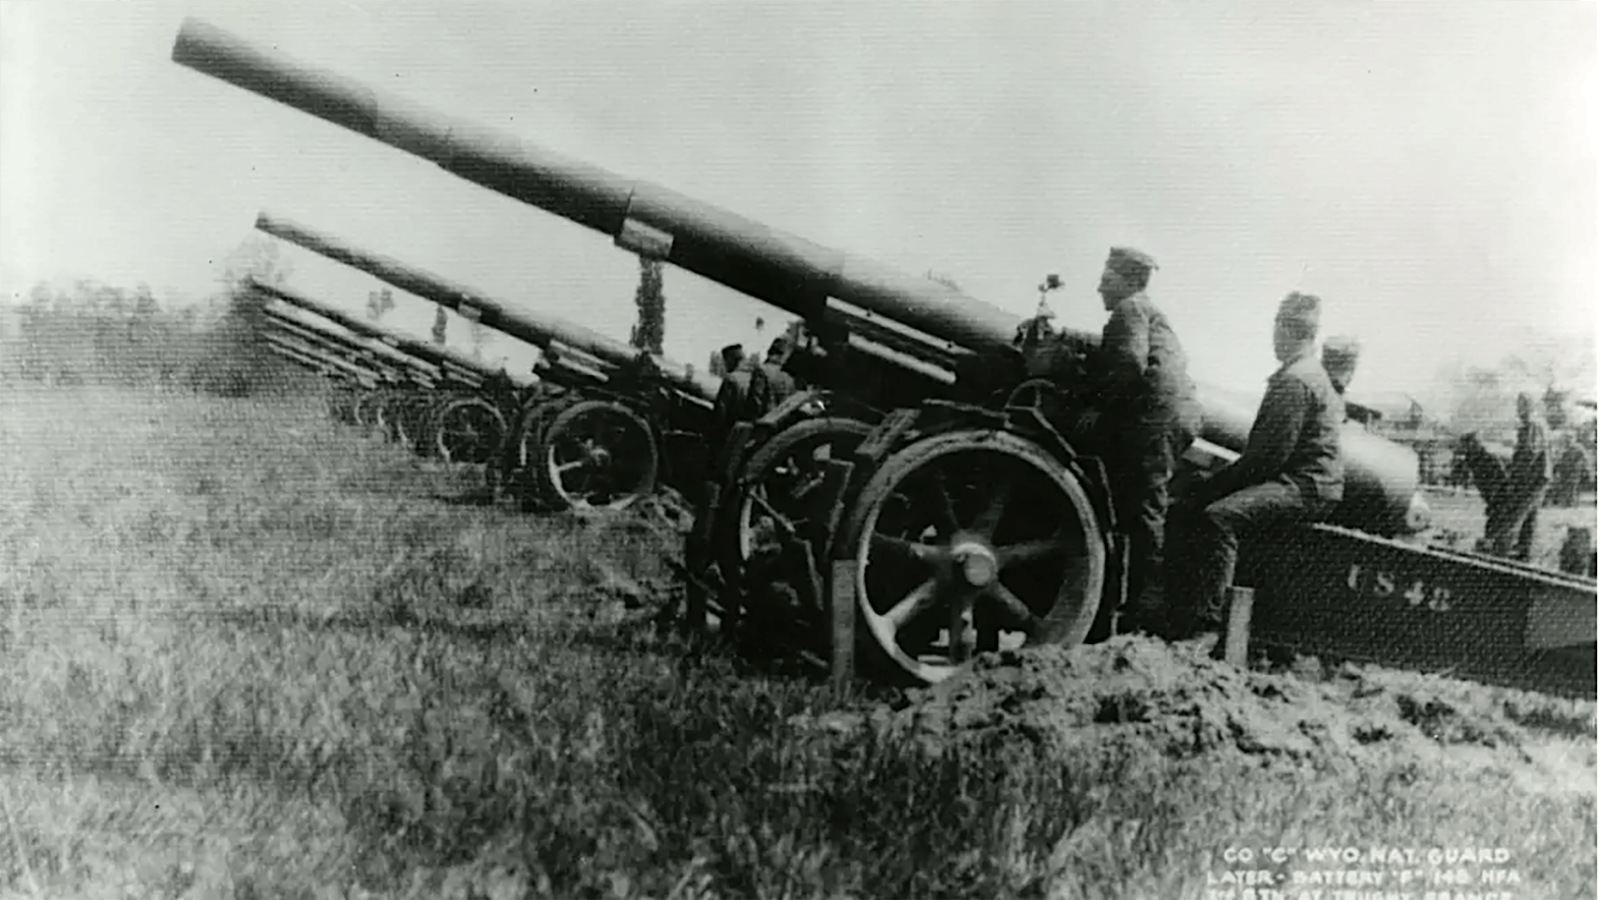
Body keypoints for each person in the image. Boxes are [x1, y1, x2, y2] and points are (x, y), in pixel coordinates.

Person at [1165, 292, 1345, 637]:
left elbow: (1264, 461)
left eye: (1277, 328)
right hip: (1310, 481)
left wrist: (1210, 486)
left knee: (1218, 518)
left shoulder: (1295, 381)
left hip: (1306, 487)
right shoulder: (1309, 373)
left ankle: (1206, 627)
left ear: (1284, 330)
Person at [1075, 247, 1202, 629]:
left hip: (1156, 420)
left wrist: (1097, 408)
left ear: (1129, 280)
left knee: (1145, 509)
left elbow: (1129, 364)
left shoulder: (1129, 309)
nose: (1099, 285)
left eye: (1107, 277)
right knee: (1138, 506)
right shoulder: (1141, 310)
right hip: (1160, 416)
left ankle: (1146, 611)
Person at [1482, 392, 1551, 560]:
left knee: (1515, 514)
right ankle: (1524, 553)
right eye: (1518, 405)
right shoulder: (1534, 425)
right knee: (1529, 517)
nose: (1519, 409)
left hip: (1531, 479)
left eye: (1522, 405)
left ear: (1530, 407)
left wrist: (1514, 476)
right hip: (1538, 478)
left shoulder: (1532, 425)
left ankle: (1500, 552)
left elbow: (1529, 453)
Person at [745, 335, 799, 420]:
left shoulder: (762, 370)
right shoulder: (788, 375)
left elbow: (755, 402)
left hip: (765, 423)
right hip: (783, 423)